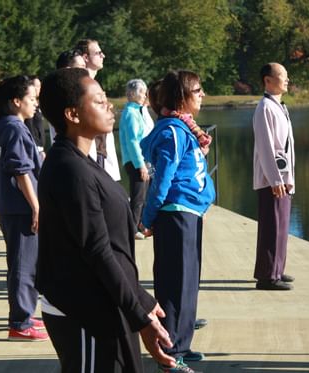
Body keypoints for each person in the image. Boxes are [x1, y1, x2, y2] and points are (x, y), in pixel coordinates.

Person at [37, 67, 175, 373]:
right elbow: (97, 251)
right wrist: (140, 317)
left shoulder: (84, 161)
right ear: (72, 114)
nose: (109, 105)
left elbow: (112, 245)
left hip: (105, 300)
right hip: (83, 309)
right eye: (99, 101)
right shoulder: (69, 170)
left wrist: (141, 299)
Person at [140, 70, 216, 373]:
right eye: (197, 90)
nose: (202, 95)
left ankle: (182, 344)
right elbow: (162, 181)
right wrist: (148, 217)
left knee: (188, 283)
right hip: (176, 213)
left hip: (190, 212)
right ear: (181, 97)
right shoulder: (172, 131)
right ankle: (170, 355)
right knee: (174, 285)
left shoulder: (185, 129)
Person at [0, 75, 49, 342]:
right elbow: (21, 171)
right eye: (31, 99)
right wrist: (36, 207)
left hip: (14, 206)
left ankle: (24, 314)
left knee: (25, 262)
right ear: (16, 102)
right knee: (24, 264)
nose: (36, 104)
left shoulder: (13, 125)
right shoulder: (14, 128)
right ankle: (20, 322)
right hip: (21, 207)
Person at [253, 62, 296, 291]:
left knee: (282, 224)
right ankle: (267, 277)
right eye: (282, 76)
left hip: (283, 177)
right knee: (272, 226)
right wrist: (275, 179)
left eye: (287, 76)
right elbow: (265, 147)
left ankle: (277, 268)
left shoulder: (279, 106)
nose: (287, 80)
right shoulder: (264, 108)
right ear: (267, 80)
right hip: (273, 180)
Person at [76, 39, 121, 181]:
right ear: (85, 57)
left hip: (102, 151)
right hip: (93, 153)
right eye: (98, 53)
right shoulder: (82, 87)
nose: (103, 56)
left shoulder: (95, 84)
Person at [119, 79, 151, 240]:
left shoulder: (139, 110)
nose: (144, 94)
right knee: (138, 197)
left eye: (145, 91)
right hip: (135, 161)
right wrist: (141, 165)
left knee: (145, 195)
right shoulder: (130, 113)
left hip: (144, 160)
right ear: (131, 93)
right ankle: (131, 229)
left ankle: (141, 224)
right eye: (141, 91)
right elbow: (132, 141)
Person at [24, 76, 46, 160]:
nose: (38, 88)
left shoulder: (38, 105)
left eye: (39, 85)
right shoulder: (29, 109)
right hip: (35, 148)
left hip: (40, 148)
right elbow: (30, 128)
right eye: (36, 85)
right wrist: (38, 149)